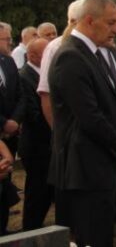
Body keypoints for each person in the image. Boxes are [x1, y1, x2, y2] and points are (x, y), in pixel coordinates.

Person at [48, 0, 116, 246]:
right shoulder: (71, 56)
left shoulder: (95, 53)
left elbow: (114, 102)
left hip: (99, 162)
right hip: (84, 166)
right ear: (89, 20)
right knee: (92, 236)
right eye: (111, 22)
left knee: (101, 232)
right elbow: (89, 115)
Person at [19, 38, 53, 230]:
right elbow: (33, 114)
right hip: (36, 145)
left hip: (47, 143)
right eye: (45, 54)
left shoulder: (43, 73)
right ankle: (30, 229)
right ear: (32, 56)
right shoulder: (25, 76)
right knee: (36, 190)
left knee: (46, 190)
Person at [37, 0, 86, 128]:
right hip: (69, 129)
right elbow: (46, 93)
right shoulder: (55, 47)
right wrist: (57, 132)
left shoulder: (101, 46)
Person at [0, 21, 24, 234]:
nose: (10, 42)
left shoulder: (8, 63)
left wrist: (15, 120)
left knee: (6, 178)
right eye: (6, 39)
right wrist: (3, 122)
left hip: (10, 134)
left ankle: (3, 226)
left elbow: (19, 95)